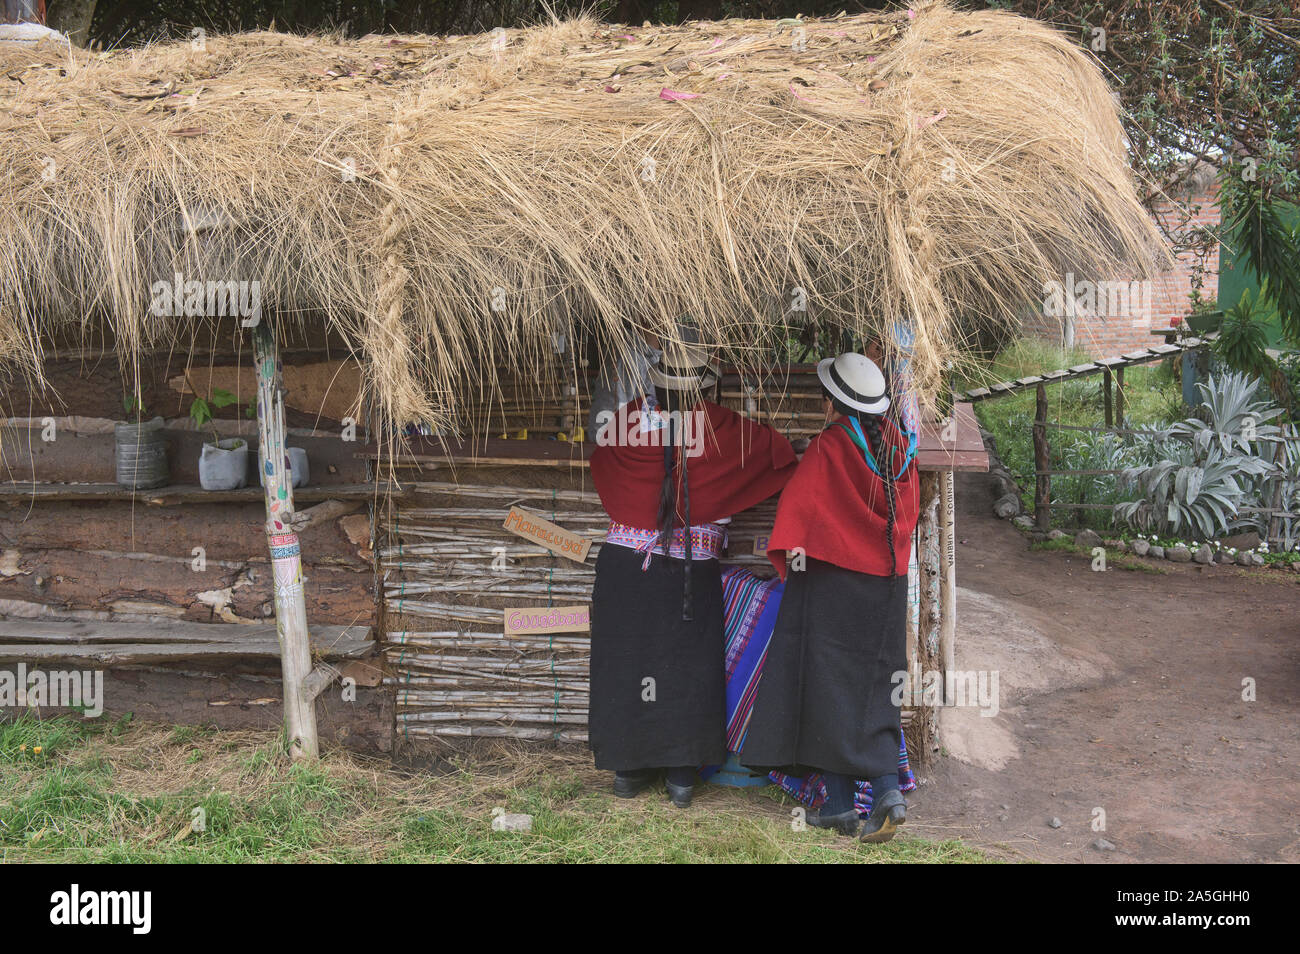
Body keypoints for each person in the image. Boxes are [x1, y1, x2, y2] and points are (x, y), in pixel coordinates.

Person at [588, 341, 798, 807]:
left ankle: (629, 771)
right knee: (686, 668)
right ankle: (682, 778)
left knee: (628, 663)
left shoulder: (627, 423)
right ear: (707, 385)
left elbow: (600, 459)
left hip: (626, 568)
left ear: (659, 380)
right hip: (687, 571)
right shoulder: (723, 431)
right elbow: (777, 453)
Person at [740, 351, 920, 842]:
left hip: (831, 585)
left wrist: (791, 563)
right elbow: (905, 522)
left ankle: (878, 792)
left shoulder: (828, 448)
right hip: (886, 588)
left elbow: (798, 514)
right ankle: (850, 804)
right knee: (874, 687)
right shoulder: (902, 453)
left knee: (825, 688)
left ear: (831, 404)